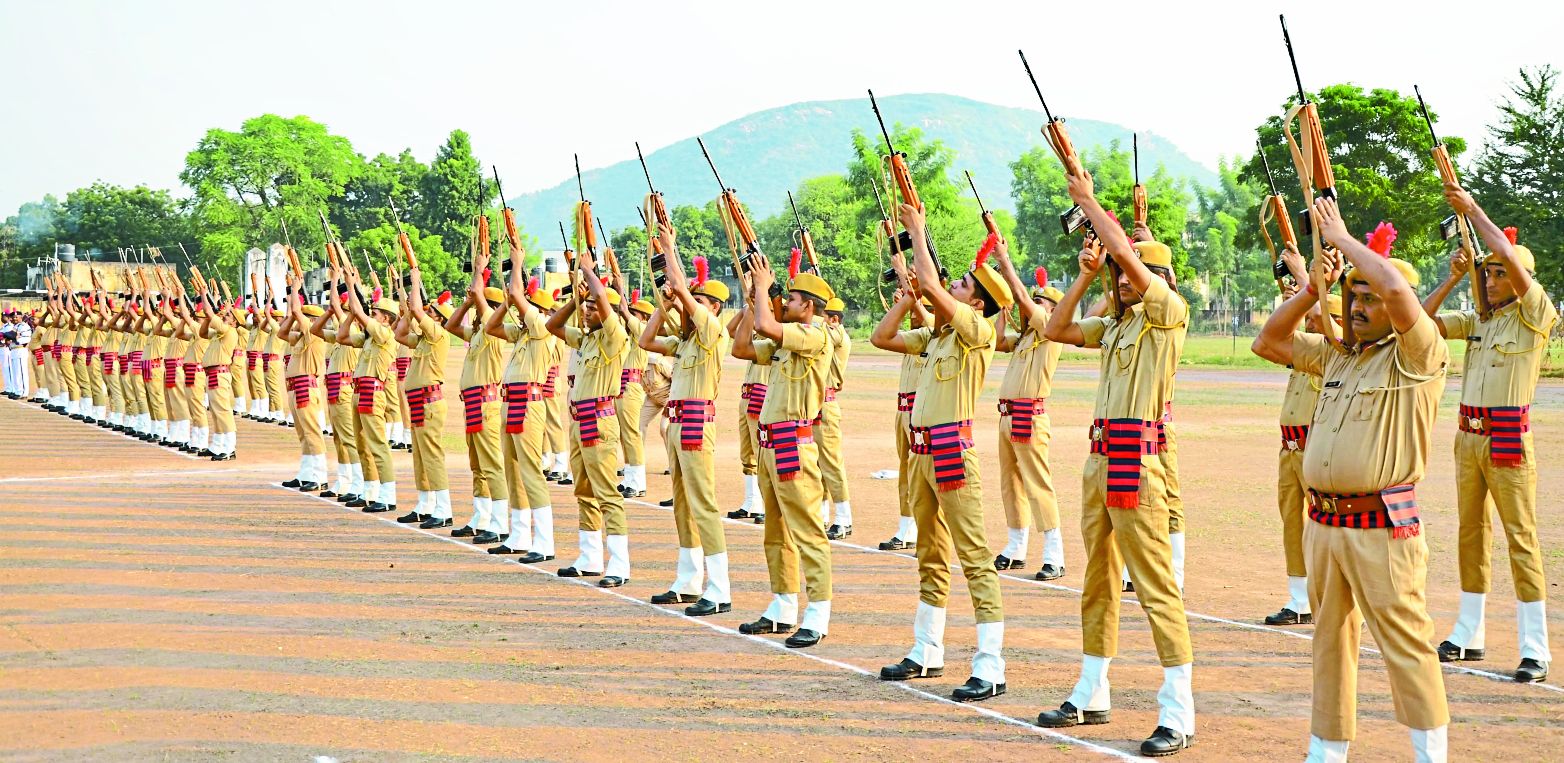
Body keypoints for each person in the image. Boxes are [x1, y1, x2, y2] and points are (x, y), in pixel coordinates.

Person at [1252, 197, 1451, 762]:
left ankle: (1429, 755)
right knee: (1330, 642)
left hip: (1381, 528)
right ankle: (1326, 752)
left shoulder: (1417, 354)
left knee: (1406, 646)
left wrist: (1339, 237)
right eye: (1353, 296)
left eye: (1369, 298)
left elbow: (1395, 289)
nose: (1359, 305)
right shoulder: (1340, 355)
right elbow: (1267, 342)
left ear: (1396, 307)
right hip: (1325, 524)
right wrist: (1314, 291)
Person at [1036, 169, 1194, 756]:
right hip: (1101, 457)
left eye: (1134, 275)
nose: (1125, 282)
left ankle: (1178, 708)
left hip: (1138, 457)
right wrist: (1081, 280)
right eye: (1120, 278)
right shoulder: (1120, 322)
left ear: (1156, 277)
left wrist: (1089, 202)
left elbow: (1128, 256)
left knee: (1154, 586)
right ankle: (1091, 689)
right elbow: (1054, 327)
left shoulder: (1167, 313)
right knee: (1096, 580)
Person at [871, 202, 1011, 702]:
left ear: (977, 304)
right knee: (929, 554)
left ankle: (990, 664)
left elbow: (934, 287)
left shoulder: (978, 332)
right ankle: (926, 648)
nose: (955, 286)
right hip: (922, 453)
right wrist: (907, 297)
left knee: (974, 558)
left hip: (952, 450)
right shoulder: (939, 335)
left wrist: (919, 232)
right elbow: (880, 337)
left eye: (963, 286)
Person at [1422, 183, 1555, 683]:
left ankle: (1534, 646)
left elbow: (1505, 254)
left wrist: (1472, 210)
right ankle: (1469, 631)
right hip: (1468, 436)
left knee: (1521, 538)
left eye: (1500, 273)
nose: (1493, 278)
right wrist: (1457, 278)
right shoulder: (1480, 319)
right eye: (1488, 273)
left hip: (1506, 436)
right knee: (1470, 533)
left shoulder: (1535, 315)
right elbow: (1422, 320)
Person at [731, 252, 834, 647]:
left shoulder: (814, 335)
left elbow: (765, 325)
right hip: (770, 445)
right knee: (774, 531)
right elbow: (742, 348)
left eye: (790, 299)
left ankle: (818, 612)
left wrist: (760, 292)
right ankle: (783, 604)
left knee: (807, 532)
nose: (784, 303)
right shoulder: (787, 342)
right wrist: (750, 300)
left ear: (808, 306)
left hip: (794, 443)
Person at [641, 241, 733, 617]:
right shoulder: (687, 340)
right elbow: (646, 340)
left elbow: (688, 300)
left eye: (699, 299)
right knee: (681, 503)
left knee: (704, 505)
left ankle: (720, 587)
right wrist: (666, 305)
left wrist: (673, 260)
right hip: (677, 422)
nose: (691, 302)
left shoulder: (714, 333)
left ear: (713, 307)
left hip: (696, 422)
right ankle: (689, 579)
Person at [1263, 246, 1342, 627]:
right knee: (1292, 523)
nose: (1309, 324)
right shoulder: (1305, 348)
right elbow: (1282, 327)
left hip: (1315, 448)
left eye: (1317, 318)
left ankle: (1323, 594)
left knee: (1321, 527)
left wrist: (1304, 278)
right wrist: (1298, 282)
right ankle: (1299, 598)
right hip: (1289, 448)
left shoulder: (1336, 350)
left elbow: (1315, 317)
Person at [547, 247, 631, 587]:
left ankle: (619, 564)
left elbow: (603, 302)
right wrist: (576, 299)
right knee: (583, 490)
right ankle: (590, 556)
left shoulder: (614, 336)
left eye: (594, 307)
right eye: (587, 306)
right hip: (579, 420)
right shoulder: (586, 338)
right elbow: (553, 325)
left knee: (607, 492)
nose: (588, 310)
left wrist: (589, 271)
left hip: (600, 420)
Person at [990, 254, 1065, 579]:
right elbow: (995, 342)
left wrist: (1006, 265)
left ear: (1051, 309)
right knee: (1010, 483)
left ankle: (1054, 553)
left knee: (1038, 485)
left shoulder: (1049, 331)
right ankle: (1016, 545)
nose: (1032, 305)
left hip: (1029, 417)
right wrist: (1004, 315)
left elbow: (1021, 296)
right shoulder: (1025, 338)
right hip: (1007, 416)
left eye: (1039, 301)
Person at [394, 270, 452, 527]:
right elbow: (399, 334)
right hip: (418, 401)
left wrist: (416, 282)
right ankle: (425, 502)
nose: (426, 315)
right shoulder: (423, 341)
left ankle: (443, 507)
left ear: (439, 318)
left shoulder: (438, 335)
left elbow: (418, 310)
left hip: (430, 402)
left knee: (432, 455)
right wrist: (407, 310)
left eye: (431, 313)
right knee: (419, 455)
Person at [340, 271, 400, 513]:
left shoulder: (386, 335)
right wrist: (352, 314)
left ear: (386, 319)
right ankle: (370, 490)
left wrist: (352, 285)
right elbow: (343, 336)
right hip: (359, 391)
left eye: (375, 314)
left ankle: (387, 494)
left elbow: (360, 312)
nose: (370, 317)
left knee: (377, 444)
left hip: (373, 393)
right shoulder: (368, 340)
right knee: (361, 444)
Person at [878, 283, 930, 552]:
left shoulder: (933, 335)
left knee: (921, 473)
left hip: (922, 413)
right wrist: (904, 301)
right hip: (904, 410)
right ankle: (906, 525)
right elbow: (887, 334)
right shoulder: (914, 335)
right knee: (904, 470)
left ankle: (924, 527)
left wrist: (914, 300)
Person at [279, 279, 329, 492]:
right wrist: (291, 316)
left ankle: (319, 475)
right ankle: (307, 473)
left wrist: (296, 292)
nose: (303, 320)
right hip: (295, 388)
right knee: (303, 434)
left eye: (307, 318)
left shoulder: (314, 336)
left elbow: (298, 313)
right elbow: (281, 333)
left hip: (306, 388)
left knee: (312, 433)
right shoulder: (300, 338)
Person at [819, 296, 853, 538]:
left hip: (825, 404)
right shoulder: (825, 333)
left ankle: (843, 517)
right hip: (811, 404)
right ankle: (820, 514)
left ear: (834, 319)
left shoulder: (837, 334)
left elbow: (822, 333)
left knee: (831, 464)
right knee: (815, 465)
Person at [617, 289, 652, 498]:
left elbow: (622, 311)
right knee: (625, 435)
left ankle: (638, 482)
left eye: (634, 313)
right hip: (620, 386)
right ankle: (630, 477)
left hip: (631, 386)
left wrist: (619, 287)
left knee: (632, 435)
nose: (628, 315)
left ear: (644, 318)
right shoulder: (629, 334)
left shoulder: (644, 330)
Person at [199, 287, 240, 461]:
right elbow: (202, 332)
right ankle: (217, 445)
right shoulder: (218, 333)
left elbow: (208, 311)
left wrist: (203, 294)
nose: (224, 316)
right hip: (212, 374)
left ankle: (229, 447)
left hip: (220, 374)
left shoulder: (229, 332)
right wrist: (211, 317)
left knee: (223, 411)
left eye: (228, 316)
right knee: (216, 412)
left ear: (235, 322)